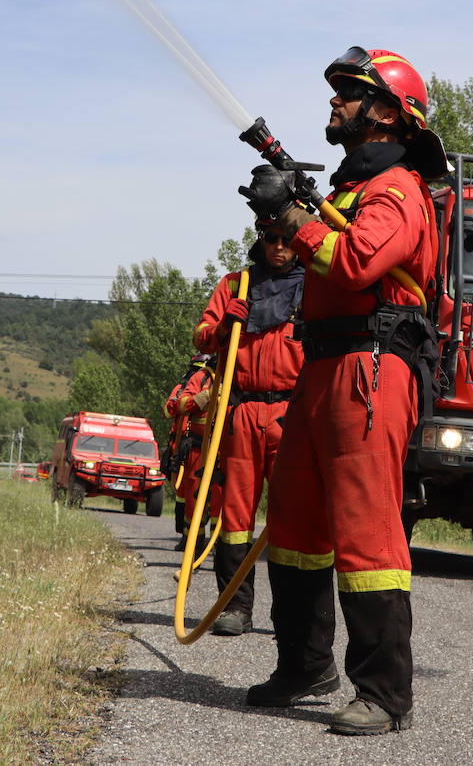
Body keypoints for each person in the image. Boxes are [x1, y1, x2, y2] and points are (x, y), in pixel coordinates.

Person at [237, 47, 447, 735]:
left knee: (365, 528)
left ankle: (385, 695)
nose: (334, 103)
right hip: (322, 367)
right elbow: (325, 244)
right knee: (295, 521)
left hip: (372, 367)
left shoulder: (399, 192)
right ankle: (304, 665)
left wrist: (296, 222)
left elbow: (356, 261)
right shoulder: (352, 194)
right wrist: (290, 213)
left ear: (388, 114)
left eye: (349, 94)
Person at [192, 223, 305, 636]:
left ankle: (292, 615)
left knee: (293, 518)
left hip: (292, 415)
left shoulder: (313, 289)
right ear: (261, 240)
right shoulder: (235, 285)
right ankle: (235, 609)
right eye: (272, 240)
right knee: (236, 517)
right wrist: (224, 325)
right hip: (242, 413)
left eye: (287, 241)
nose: (279, 248)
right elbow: (202, 338)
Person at [162, 354, 215, 550]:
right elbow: (169, 411)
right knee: (184, 493)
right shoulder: (183, 388)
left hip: (209, 447)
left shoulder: (221, 380)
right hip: (186, 446)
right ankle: (187, 538)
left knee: (208, 496)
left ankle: (210, 544)